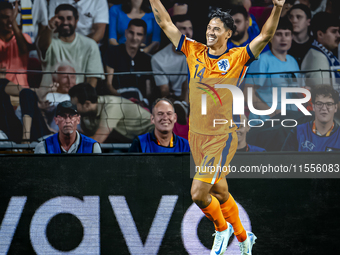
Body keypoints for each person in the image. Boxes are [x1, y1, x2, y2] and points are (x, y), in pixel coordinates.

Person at [149, 0, 285, 254]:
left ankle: (222, 230)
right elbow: (164, 22)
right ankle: (245, 237)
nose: (210, 32)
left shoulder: (238, 57)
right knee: (220, 192)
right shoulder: (193, 50)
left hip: (221, 138)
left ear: (228, 34)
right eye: (209, 27)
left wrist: (277, 7)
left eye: (216, 29)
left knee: (199, 194)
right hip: (196, 136)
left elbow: (266, 35)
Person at [245, 17, 300, 124]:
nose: (283, 38)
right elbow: (248, 94)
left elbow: (295, 92)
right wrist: (273, 113)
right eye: (278, 34)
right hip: (264, 122)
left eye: (287, 34)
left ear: (292, 37)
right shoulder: (261, 60)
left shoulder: (293, 61)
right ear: (270, 38)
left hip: (288, 121)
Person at [37, 4, 104, 88]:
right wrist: (50, 28)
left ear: (76, 21)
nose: (65, 22)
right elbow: (42, 45)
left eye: (69, 18)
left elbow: (92, 79)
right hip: (50, 96)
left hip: (77, 98)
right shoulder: (49, 41)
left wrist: (85, 97)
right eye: (61, 18)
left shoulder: (90, 45)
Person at [69, 82, 153, 143]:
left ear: (87, 104)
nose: (73, 109)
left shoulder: (111, 105)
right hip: (129, 138)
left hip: (152, 132)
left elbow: (97, 140)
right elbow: (88, 137)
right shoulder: (87, 113)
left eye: (75, 106)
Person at [104, 19, 152, 104]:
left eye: (139, 34)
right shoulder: (112, 52)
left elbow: (148, 92)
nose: (134, 38)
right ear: (126, 33)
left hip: (139, 102)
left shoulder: (146, 59)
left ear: (144, 38)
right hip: (117, 100)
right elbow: (109, 85)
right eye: (131, 33)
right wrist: (126, 100)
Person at [282, 85, 340, 151]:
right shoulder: (297, 132)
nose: (324, 108)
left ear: (335, 107)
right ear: (313, 107)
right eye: (319, 104)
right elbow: (284, 160)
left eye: (329, 104)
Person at [34, 100, 102, 153]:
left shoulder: (93, 147)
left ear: (78, 120)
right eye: (63, 116)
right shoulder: (43, 146)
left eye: (72, 116)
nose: (67, 120)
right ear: (56, 120)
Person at [151, 14, 191, 103]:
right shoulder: (158, 59)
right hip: (173, 100)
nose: (188, 33)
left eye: (190, 28)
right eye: (183, 29)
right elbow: (164, 92)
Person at [301, 12, 340, 90]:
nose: (338, 35)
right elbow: (322, 95)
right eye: (333, 32)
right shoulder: (317, 58)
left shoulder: (322, 54)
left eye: (338, 31)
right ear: (320, 34)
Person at [0, 1, 32, 88]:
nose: (9, 20)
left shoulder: (24, 37)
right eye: (5, 17)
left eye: (12, 17)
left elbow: (24, 49)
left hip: (21, 91)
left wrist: (13, 22)